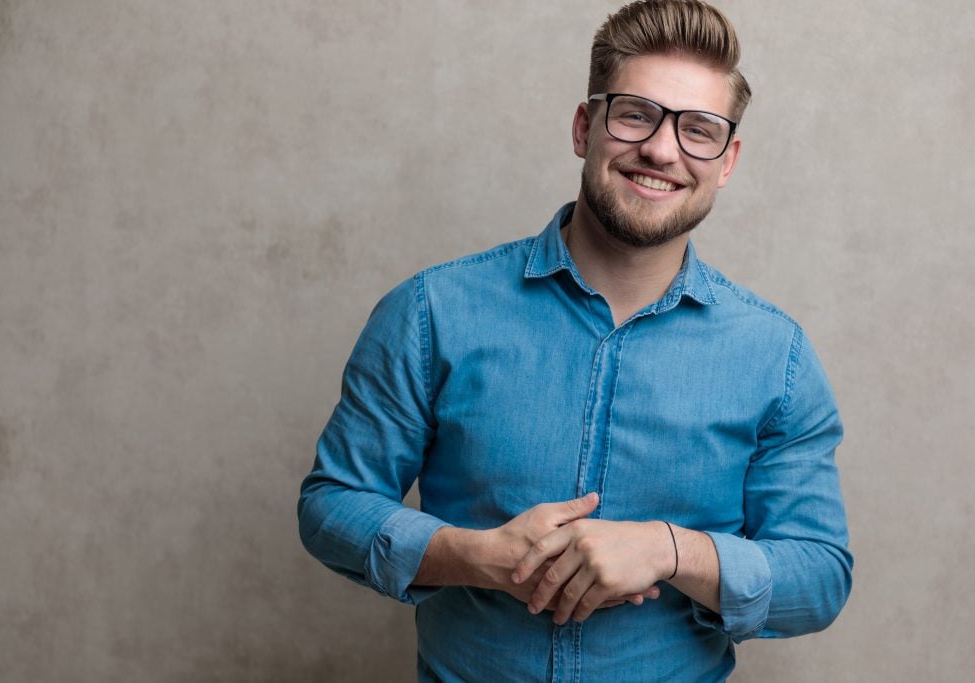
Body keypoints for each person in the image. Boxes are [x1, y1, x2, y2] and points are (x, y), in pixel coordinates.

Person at [298, 1, 852, 680]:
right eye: (635, 114)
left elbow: (820, 575)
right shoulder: (431, 311)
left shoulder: (777, 357)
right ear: (585, 126)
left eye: (698, 129)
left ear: (727, 160)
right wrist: (474, 555)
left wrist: (671, 550)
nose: (661, 148)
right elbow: (331, 505)